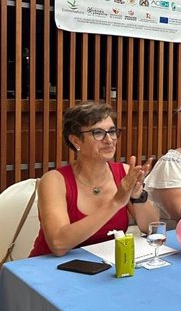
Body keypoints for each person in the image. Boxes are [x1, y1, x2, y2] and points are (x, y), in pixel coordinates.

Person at [30, 102, 158, 257]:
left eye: (112, 131)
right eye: (98, 133)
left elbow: (152, 229)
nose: (109, 140)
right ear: (76, 140)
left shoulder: (124, 172)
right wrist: (115, 202)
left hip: (103, 265)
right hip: (49, 269)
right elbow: (58, 244)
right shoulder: (54, 181)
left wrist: (138, 196)